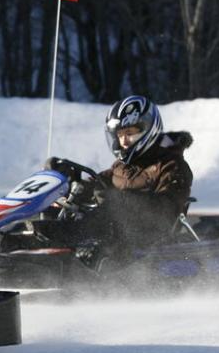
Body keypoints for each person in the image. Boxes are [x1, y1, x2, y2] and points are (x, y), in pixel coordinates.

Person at [49, 95, 193, 251]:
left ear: (149, 129)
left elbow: (164, 212)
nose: (124, 141)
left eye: (130, 133)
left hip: (144, 246)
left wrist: (118, 201)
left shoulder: (173, 166)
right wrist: (68, 183)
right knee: (50, 216)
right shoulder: (122, 166)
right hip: (112, 236)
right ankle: (32, 241)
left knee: (85, 227)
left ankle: (52, 257)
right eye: (120, 135)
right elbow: (96, 183)